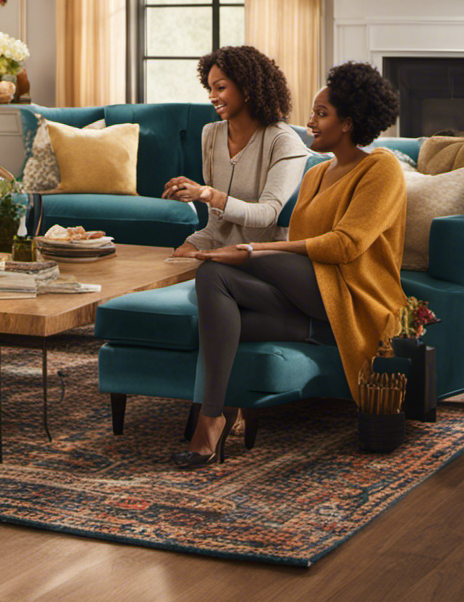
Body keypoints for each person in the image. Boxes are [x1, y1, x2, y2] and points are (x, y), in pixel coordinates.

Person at [173, 62, 406, 468]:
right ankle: (213, 417)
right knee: (213, 278)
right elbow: (300, 246)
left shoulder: (381, 168)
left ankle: (212, 419)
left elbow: (344, 246)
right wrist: (238, 253)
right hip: (311, 300)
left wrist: (250, 252)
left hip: (352, 295)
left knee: (239, 259)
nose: (309, 122)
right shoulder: (317, 174)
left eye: (321, 114)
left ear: (349, 122)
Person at [163, 46, 308, 257]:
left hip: (263, 252)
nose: (212, 96)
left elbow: (267, 215)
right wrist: (196, 192)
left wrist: (209, 194)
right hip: (218, 243)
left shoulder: (284, 142)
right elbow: (216, 226)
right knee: (172, 262)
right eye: (209, 89)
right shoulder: (211, 134)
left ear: (247, 89)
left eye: (220, 88)